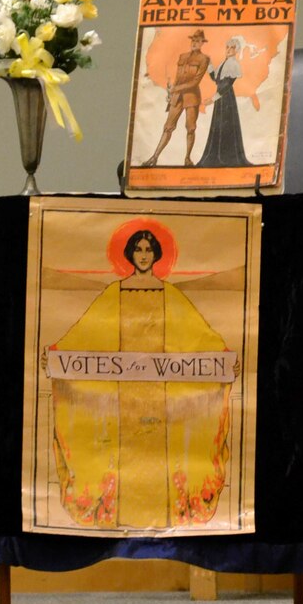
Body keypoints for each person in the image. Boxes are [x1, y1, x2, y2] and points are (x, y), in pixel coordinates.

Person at [47, 227, 239, 530]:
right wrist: (57, 354)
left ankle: (168, 516)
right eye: (139, 250)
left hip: (163, 400)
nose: (144, 255)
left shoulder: (170, 295)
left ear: (157, 255)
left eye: (149, 250)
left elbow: (203, 338)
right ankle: (116, 515)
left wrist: (225, 360)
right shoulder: (114, 293)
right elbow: (84, 335)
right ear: (130, 255)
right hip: (122, 400)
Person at [142, 28, 209, 168]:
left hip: (191, 98)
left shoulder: (204, 59)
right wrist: (172, 91)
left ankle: (188, 159)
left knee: (190, 128)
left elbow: (195, 82)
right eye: (193, 40)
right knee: (167, 128)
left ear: (202, 43)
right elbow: (178, 78)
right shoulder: (182, 56)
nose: (195, 43)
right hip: (177, 97)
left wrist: (176, 89)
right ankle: (154, 157)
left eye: (198, 41)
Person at [198, 36, 252, 168]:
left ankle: (228, 159)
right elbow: (216, 80)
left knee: (227, 126)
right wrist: (209, 64)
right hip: (221, 99)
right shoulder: (225, 62)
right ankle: (216, 157)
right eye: (227, 47)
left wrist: (213, 98)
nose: (228, 50)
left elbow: (227, 84)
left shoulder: (233, 64)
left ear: (236, 50)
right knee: (219, 125)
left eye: (232, 48)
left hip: (226, 98)